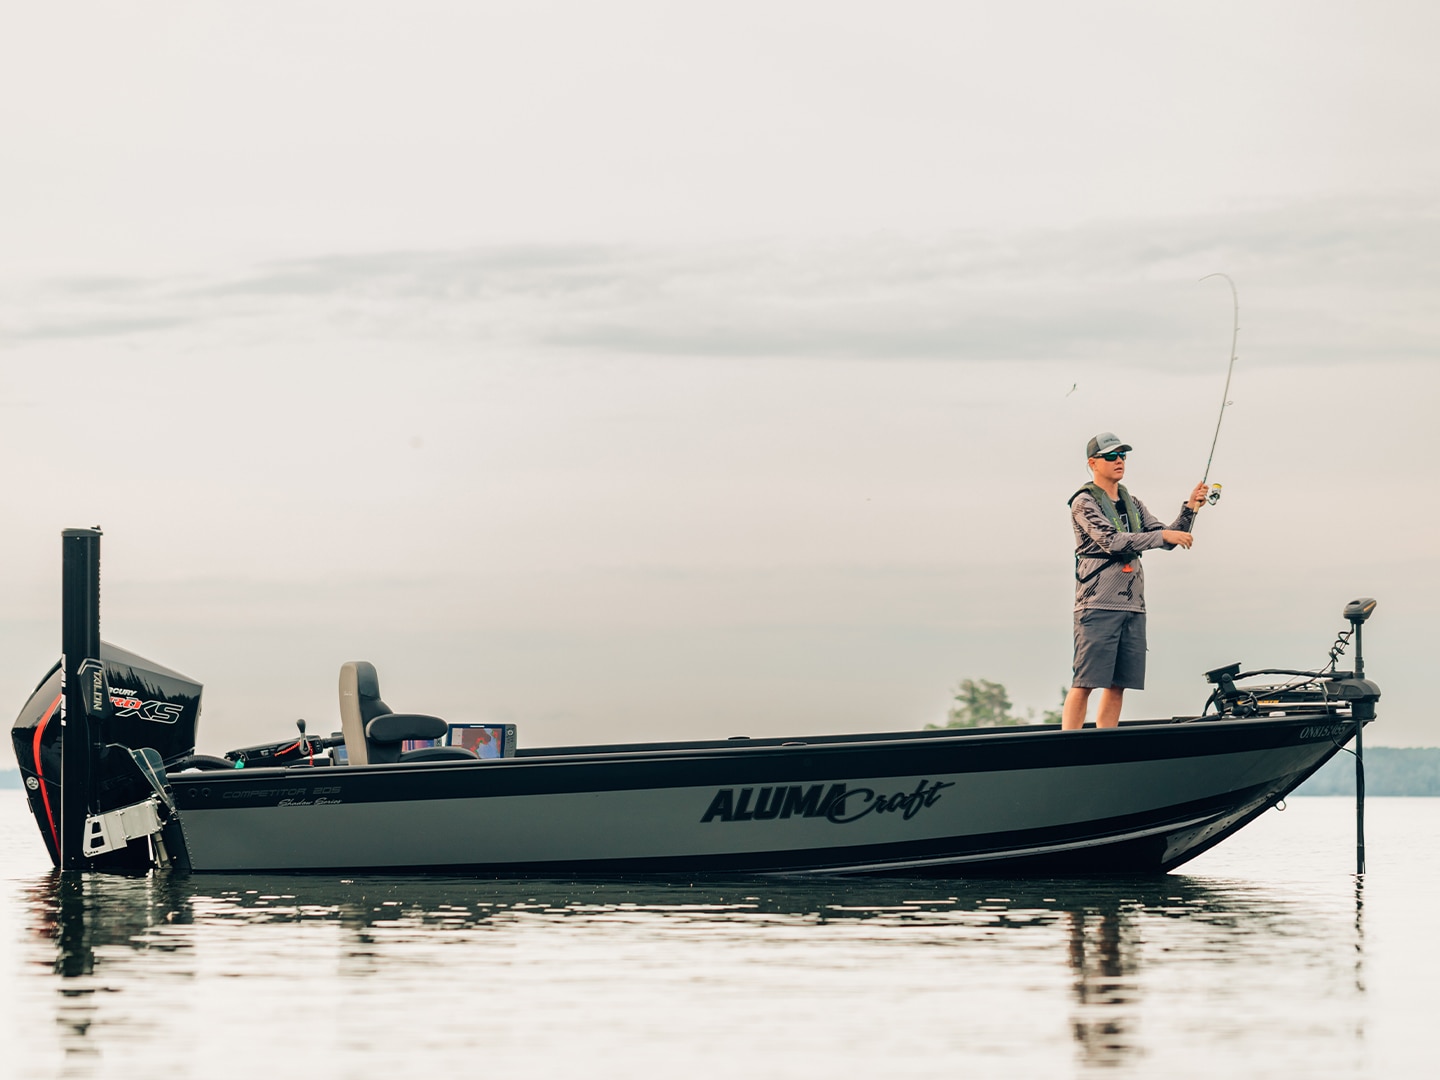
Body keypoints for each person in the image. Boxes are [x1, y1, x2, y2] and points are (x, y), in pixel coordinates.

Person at [1062, 433, 1208, 730]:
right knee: (1086, 681)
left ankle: (1106, 742)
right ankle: (1068, 744)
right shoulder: (1083, 502)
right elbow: (1111, 540)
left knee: (1119, 684)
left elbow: (1167, 538)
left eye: (1123, 456)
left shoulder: (1133, 503)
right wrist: (1162, 536)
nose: (1119, 461)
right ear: (1093, 463)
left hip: (1133, 604)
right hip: (1098, 602)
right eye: (1111, 456)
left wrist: (1190, 508)